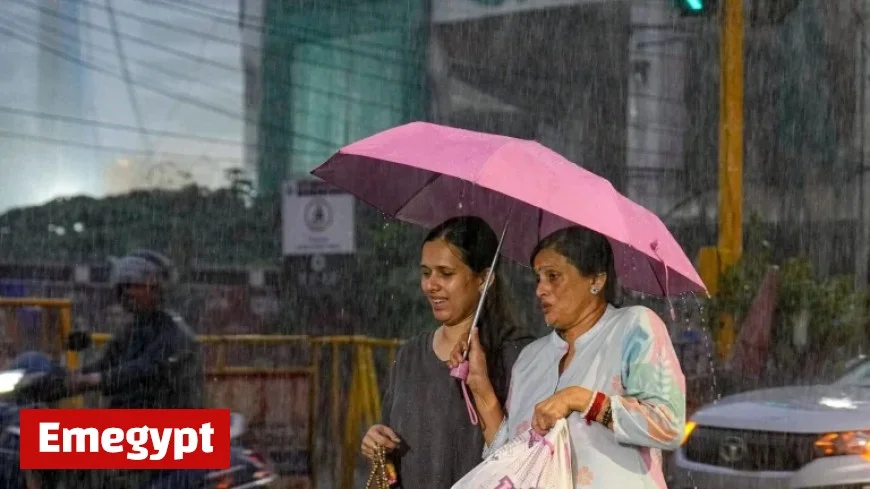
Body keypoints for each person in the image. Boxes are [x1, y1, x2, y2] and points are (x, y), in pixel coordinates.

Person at [451, 226, 686, 489]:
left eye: (553, 276)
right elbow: (512, 454)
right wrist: (480, 386)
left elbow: (668, 425)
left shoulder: (635, 327)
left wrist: (581, 399)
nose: (540, 290)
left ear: (596, 281)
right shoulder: (530, 359)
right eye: (538, 278)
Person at [360, 216, 537, 489]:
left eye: (446, 273)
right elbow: (392, 464)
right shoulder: (409, 356)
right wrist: (378, 446)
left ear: (484, 279)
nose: (431, 285)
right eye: (426, 272)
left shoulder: (518, 355)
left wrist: (482, 389)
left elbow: (527, 457)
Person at [67, 249, 204, 410]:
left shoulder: (174, 333)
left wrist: (97, 379)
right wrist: (58, 379)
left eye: (133, 285)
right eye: (124, 286)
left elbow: (145, 369)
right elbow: (106, 364)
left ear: (155, 288)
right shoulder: (132, 331)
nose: (126, 292)